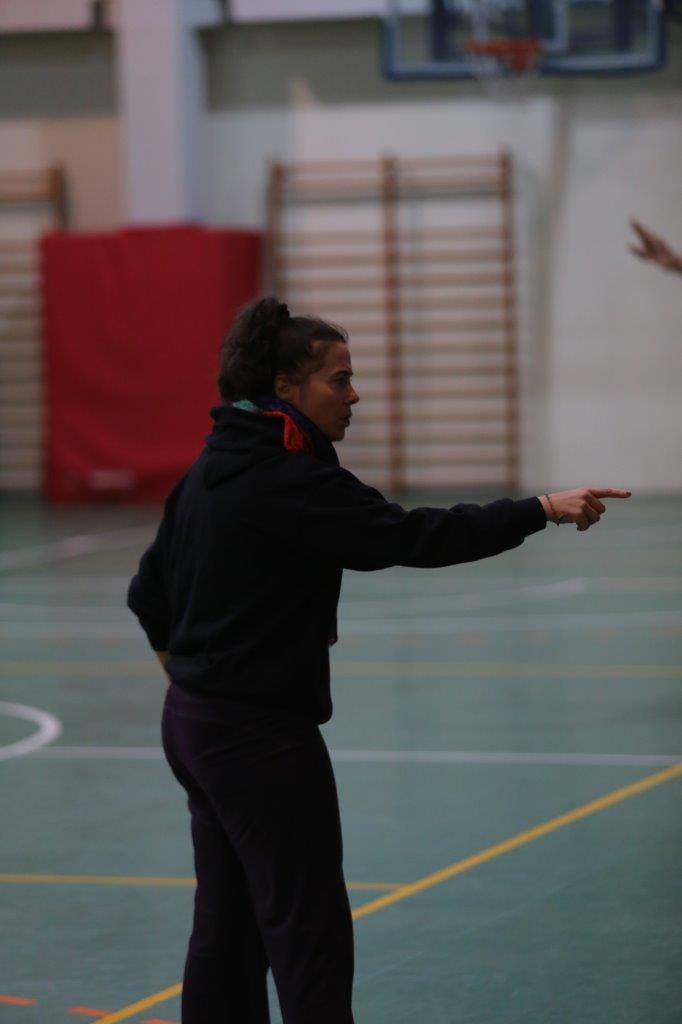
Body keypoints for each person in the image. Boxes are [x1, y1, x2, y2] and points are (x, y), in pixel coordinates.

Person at [127, 297, 632, 1024]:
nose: (355, 394)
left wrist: (195, 683)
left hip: (193, 725)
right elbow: (410, 537)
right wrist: (539, 509)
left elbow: (148, 593)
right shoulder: (285, 478)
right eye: (339, 379)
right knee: (308, 928)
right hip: (259, 739)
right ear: (284, 387)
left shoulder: (214, 464)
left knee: (228, 924)